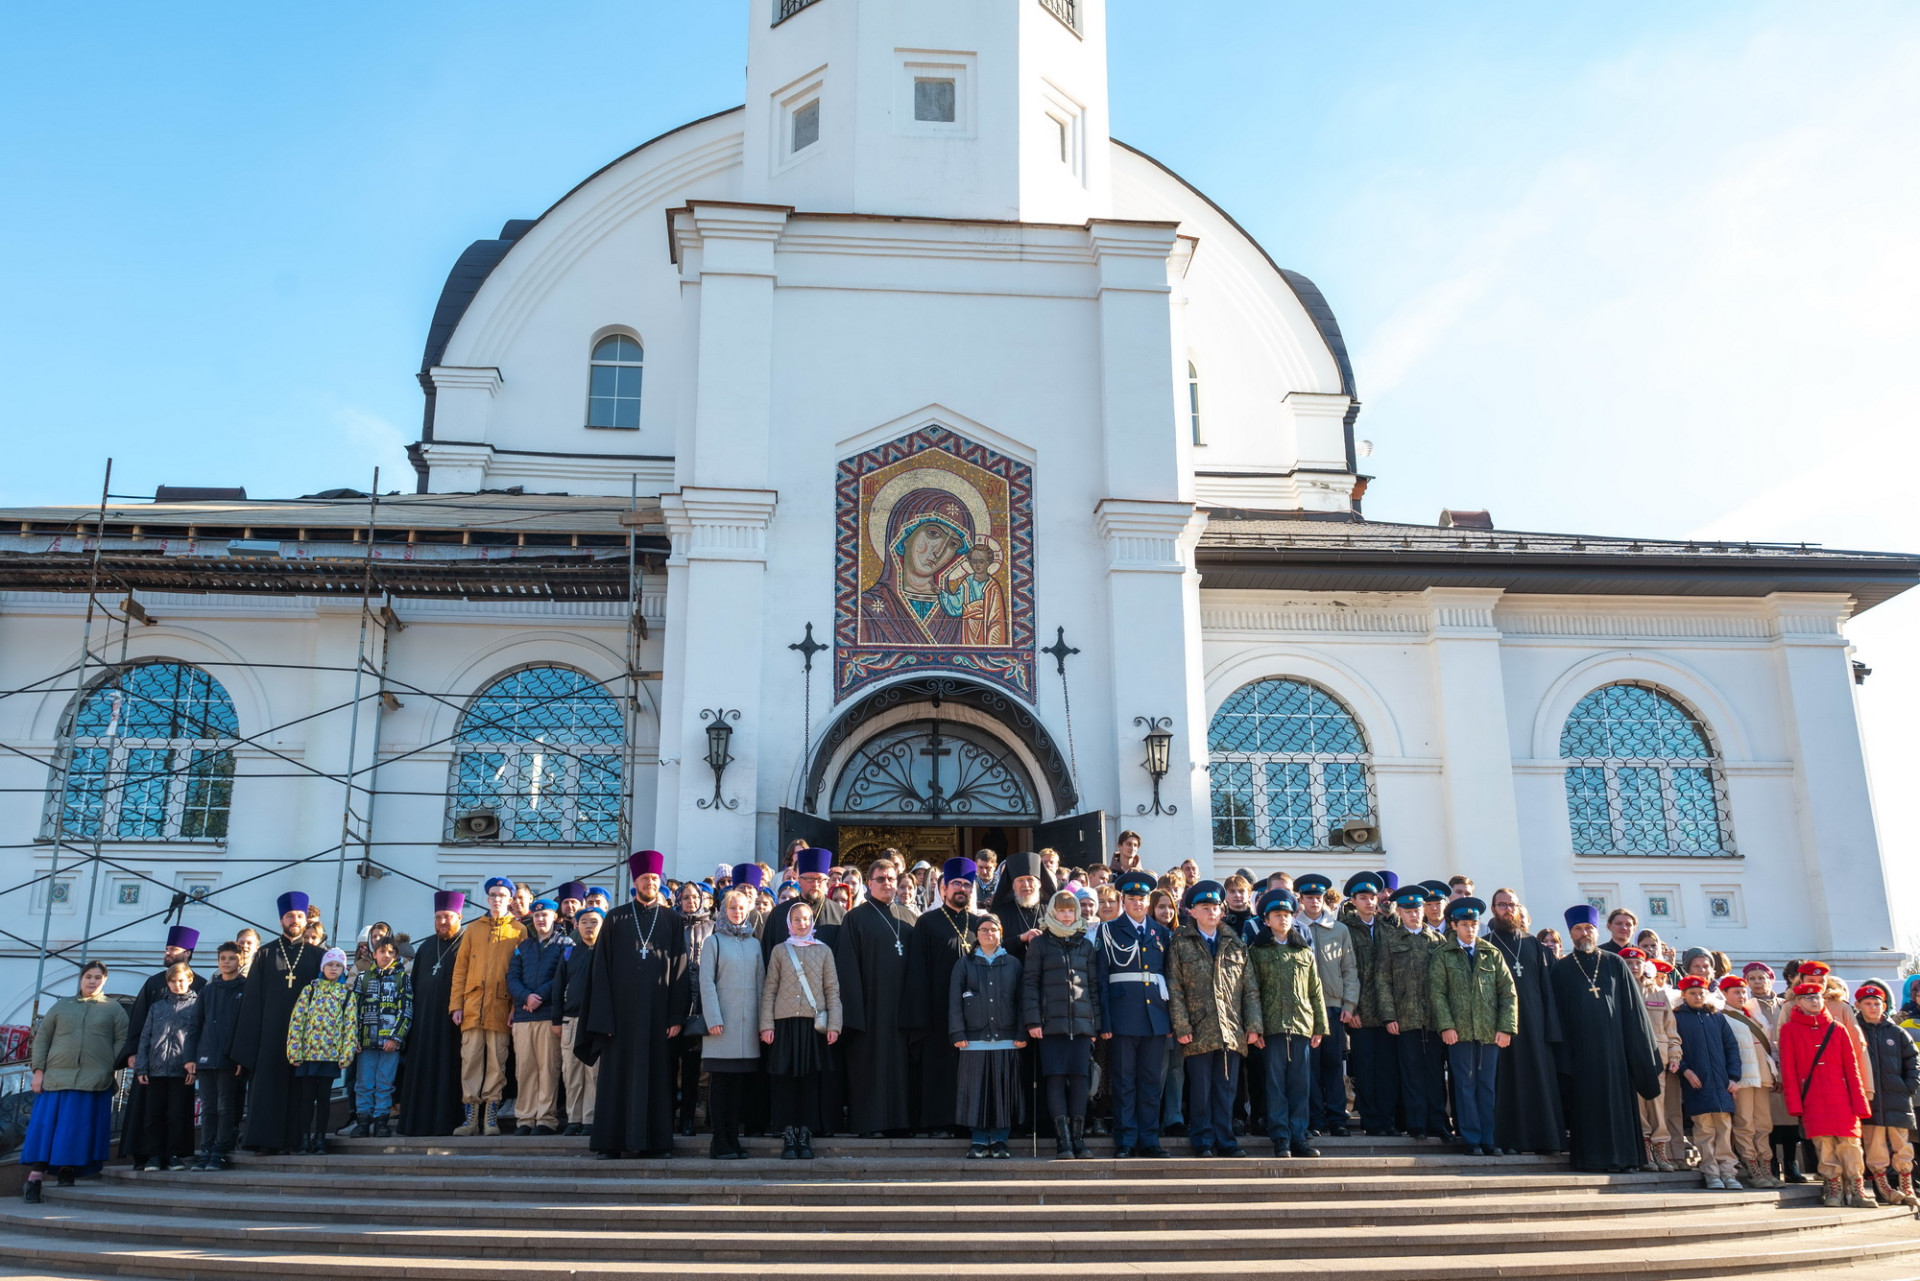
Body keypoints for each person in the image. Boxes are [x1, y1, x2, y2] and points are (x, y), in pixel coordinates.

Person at [578, 850, 691, 1160]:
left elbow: (680, 969)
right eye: (644, 878)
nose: (650, 883)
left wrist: (676, 1015)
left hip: (658, 1017)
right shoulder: (615, 918)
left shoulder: (672, 919)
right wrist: (603, 1018)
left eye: (654, 878)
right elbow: (600, 970)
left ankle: (657, 1143)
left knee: (657, 1079)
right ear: (635, 881)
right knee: (617, 1079)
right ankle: (610, 1143)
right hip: (621, 1018)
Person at [1548, 906, 1663, 1173]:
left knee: (1619, 1105)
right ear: (1570, 933)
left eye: (1588, 928)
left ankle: (1626, 1158)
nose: (1584, 933)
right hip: (1581, 1053)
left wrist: (1640, 1051)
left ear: (1597, 931)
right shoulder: (1561, 969)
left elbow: (1633, 1010)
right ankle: (1592, 1159)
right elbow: (1556, 1016)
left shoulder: (1615, 963)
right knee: (1588, 1107)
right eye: (1578, 929)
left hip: (1616, 1052)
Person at [1168, 880, 1264, 1158]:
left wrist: (1253, 1025)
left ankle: (1226, 1140)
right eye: (1205, 907)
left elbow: (1250, 989)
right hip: (1198, 1028)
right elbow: (1175, 988)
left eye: (1215, 907)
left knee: (1226, 1089)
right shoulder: (1180, 943)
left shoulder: (1235, 943)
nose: (1212, 912)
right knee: (1200, 1090)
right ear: (1192, 911)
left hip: (1230, 1029)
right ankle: (1203, 1140)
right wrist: (1181, 1025)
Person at [21, 960, 128, 1203]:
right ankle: (34, 1179)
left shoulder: (114, 1009)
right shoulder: (62, 1006)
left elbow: (122, 1040)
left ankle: (67, 1170)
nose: (92, 981)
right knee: (47, 1129)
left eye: (97, 977)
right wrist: (38, 1070)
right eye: (88, 976)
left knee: (76, 1130)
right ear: (81, 979)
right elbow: (42, 1038)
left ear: (105, 980)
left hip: (93, 1080)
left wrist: (108, 1065)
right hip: (56, 1079)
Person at [232, 891, 324, 1153]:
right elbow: (252, 1001)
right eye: (290, 916)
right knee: (267, 1085)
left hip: (305, 1034)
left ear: (306, 919)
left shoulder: (318, 956)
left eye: (299, 916)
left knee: (299, 1088)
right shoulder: (265, 953)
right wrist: (247, 1045)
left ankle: (295, 1140)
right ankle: (265, 1141)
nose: (295, 920)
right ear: (281, 919)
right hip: (269, 1033)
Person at [1427, 896, 1515, 1157]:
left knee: (1487, 1085)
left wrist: (1506, 1027)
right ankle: (1471, 1138)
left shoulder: (1491, 953)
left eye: (1474, 924)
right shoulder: (1443, 954)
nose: (1470, 929)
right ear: (1454, 925)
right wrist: (1446, 1025)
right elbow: (1437, 994)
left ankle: (1489, 1138)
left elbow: (1507, 992)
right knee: (1465, 1084)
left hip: (1489, 1032)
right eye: (1464, 924)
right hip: (1460, 1032)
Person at [835, 857, 917, 1137]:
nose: (887, 884)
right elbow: (846, 968)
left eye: (891, 879)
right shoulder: (855, 918)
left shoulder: (909, 918)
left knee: (901, 1068)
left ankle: (901, 1123)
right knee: (870, 1066)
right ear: (869, 883)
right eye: (881, 879)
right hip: (869, 1010)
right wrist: (854, 1014)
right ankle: (870, 1124)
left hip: (902, 1008)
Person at [903, 857, 984, 1136]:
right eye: (956, 884)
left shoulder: (979, 924)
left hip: (973, 1012)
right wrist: (919, 1014)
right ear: (944, 888)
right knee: (939, 1066)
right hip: (937, 1009)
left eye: (967, 884)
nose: (961, 889)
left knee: (969, 1068)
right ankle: (938, 1122)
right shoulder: (927, 922)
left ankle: (968, 1121)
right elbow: (917, 970)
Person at [1022, 888, 1104, 1159]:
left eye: (1071, 911)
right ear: (1053, 912)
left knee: (1080, 1081)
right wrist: (1033, 1020)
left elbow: (1093, 987)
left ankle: (1078, 1139)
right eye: (1062, 911)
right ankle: (1063, 1141)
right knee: (1055, 1080)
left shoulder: (1085, 945)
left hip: (1081, 1026)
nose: (1067, 916)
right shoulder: (1040, 944)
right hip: (1050, 1026)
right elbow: (1030, 984)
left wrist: (1095, 1024)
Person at [1780, 975, 1874, 1209]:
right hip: (1812, 1097)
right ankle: (1833, 1187)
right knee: (1825, 1145)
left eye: (1817, 997)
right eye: (1808, 998)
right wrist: (1794, 1104)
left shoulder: (1837, 1028)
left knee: (1850, 1144)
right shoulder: (1789, 1030)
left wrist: (1860, 1102)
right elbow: (1788, 1071)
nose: (1814, 1001)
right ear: (1797, 1002)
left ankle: (1857, 1189)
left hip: (1842, 1098)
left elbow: (1851, 1068)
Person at [758, 898, 842, 1160]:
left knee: (809, 1080)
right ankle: (788, 1133)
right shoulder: (780, 951)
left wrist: (835, 1025)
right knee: (784, 1080)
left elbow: (832, 989)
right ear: (789, 923)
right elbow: (769, 989)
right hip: (784, 1024)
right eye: (797, 919)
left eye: (806, 919)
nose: (802, 923)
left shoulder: (824, 951)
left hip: (812, 1025)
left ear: (812, 922)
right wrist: (766, 1024)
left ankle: (805, 1133)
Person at [1247, 889, 1326, 1158]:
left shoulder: (1303, 951)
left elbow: (1315, 990)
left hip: (1301, 1025)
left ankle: (1299, 1136)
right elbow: (1252, 991)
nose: (1283, 919)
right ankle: (1281, 1137)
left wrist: (1319, 1026)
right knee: (1276, 1085)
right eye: (1277, 915)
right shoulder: (1257, 952)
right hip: (1272, 1027)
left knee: (1300, 1085)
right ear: (1266, 920)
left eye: (1287, 915)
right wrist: (1255, 1027)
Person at [118, 925, 205, 1169]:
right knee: (148, 1112)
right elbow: (140, 1022)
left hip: (181, 1065)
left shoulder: (201, 986)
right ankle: (145, 1154)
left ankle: (175, 1154)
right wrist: (133, 1052)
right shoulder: (154, 983)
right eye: (167, 948)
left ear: (187, 953)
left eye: (173, 949)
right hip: (153, 1064)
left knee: (177, 1112)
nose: (167, 953)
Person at [1485, 888, 1564, 1155]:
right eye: (1502, 905)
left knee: (1538, 1081)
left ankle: (1545, 1140)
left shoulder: (1535, 946)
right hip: (1499, 1027)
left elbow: (1549, 992)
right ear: (1493, 909)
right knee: (1506, 1083)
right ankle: (1509, 1141)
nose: (1508, 909)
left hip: (1535, 1027)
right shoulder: (1486, 945)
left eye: (1512, 905)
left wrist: (1551, 1030)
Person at [1100, 870, 1172, 1159]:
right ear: (1123, 900)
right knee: (1124, 1081)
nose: (1137, 903)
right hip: (1122, 1017)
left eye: (1142, 898)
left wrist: (1170, 1019)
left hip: (1155, 1018)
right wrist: (1105, 1021)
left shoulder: (1160, 932)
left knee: (1151, 1082)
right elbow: (1101, 979)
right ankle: (1126, 1139)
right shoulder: (1108, 931)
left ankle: (1150, 1139)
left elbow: (1169, 977)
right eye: (1131, 898)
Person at [450, 877, 526, 1137]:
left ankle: (490, 1118)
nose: (497, 899)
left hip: (501, 1008)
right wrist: (456, 1004)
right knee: (470, 1061)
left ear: (510, 900)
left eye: (502, 895)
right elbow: (460, 969)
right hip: (472, 1006)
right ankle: (470, 1118)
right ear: (487, 898)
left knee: (497, 1062)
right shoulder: (473, 929)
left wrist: (515, 1008)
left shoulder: (519, 930)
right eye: (493, 895)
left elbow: (521, 971)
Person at [951, 915, 1026, 1159]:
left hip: (1007, 1038)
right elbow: (954, 1001)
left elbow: (1023, 1000)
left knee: (1003, 1093)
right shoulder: (964, 964)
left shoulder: (1013, 963)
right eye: (983, 930)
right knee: (976, 1092)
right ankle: (979, 1140)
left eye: (993, 929)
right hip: (974, 1040)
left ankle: (1000, 1140)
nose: (988, 934)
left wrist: (1022, 1031)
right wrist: (957, 1032)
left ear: (1000, 933)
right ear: (977, 934)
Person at [1378, 884, 1447, 1141]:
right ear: (1400, 912)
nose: (1413, 915)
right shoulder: (1391, 941)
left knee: (1435, 1071)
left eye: (1417, 910)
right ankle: (1416, 1123)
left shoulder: (1437, 940)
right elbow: (1382, 979)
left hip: (1434, 1018)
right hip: (1405, 1017)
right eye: (1408, 911)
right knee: (1411, 1072)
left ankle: (1437, 1122)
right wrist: (1389, 1015)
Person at [1289, 875, 1355, 1138]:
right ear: (1301, 899)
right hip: (1305, 1009)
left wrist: (1349, 1003)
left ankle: (1337, 1118)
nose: (1314, 902)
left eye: (1318, 897)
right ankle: (1316, 1118)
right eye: (1309, 897)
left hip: (1333, 1007)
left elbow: (1349, 969)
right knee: (1310, 1066)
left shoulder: (1339, 929)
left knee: (1333, 1064)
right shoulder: (1294, 928)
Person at [397, 891, 467, 1137]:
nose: (442, 922)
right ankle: (416, 1123)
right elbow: (414, 986)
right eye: (438, 917)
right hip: (424, 1024)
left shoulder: (466, 944)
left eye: (447, 917)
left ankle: (446, 1123)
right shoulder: (426, 947)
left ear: (459, 917)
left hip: (452, 1024)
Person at [701, 889, 764, 1159]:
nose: (737, 912)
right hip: (721, 1025)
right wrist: (713, 1018)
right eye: (732, 908)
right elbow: (706, 982)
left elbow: (761, 984)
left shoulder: (754, 944)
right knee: (720, 1084)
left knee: (738, 1086)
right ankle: (719, 1141)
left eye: (741, 908)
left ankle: (733, 1140)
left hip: (746, 1026)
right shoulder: (713, 941)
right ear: (724, 911)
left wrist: (762, 1022)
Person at [284, 948, 358, 1155]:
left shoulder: (346, 994)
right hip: (308, 1055)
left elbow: (350, 1025)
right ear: (322, 967)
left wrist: (346, 1054)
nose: (334, 969)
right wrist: (294, 1051)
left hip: (330, 1056)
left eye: (338, 966)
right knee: (306, 1098)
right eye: (330, 965)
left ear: (343, 969)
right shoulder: (310, 991)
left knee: (324, 1098)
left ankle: (320, 1138)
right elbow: (297, 1021)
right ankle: (304, 1138)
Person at [1339, 871, 1396, 1137]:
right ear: (1353, 901)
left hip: (1385, 1012)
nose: (1369, 901)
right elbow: (1344, 971)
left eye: (1372, 897)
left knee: (1386, 1069)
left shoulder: (1387, 929)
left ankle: (1387, 1120)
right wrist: (1352, 1008)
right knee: (1365, 1068)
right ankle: (1371, 1120)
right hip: (1360, 1012)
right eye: (1363, 897)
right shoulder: (1345, 929)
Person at [1673, 974, 1742, 1189]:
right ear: (1684, 995)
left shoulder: (1716, 1017)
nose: (1697, 996)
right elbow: (1675, 1047)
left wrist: (1734, 1077)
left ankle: (1728, 1172)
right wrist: (1685, 1070)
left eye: (1701, 993)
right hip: (1698, 1084)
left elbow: (1731, 1047)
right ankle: (1711, 1172)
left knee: (1724, 1129)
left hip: (1721, 1085)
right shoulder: (1678, 1018)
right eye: (1692, 993)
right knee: (1704, 1130)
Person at [1853, 981, 1919, 1207]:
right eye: (1868, 1004)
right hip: (1870, 1100)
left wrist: (1908, 1086)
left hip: (1898, 1099)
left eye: (1877, 1004)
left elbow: (1913, 1061)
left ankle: (1907, 1186)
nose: (1873, 1008)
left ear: (1884, 1005)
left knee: (1902, 1145)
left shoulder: (1897, 1032)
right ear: (1858, 1005)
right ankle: (1884, 1187)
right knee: (1875, 1145)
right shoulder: (1854, 1032)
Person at [506, 897, 566, 1136]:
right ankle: (525, 1118)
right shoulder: (523, 946)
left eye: (545, 915)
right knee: (525, 1069)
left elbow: (562, 976)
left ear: (555, 917)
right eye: (537, 915)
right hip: (524, 1016)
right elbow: (512, 977)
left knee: (548, 1068)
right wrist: (526, 997)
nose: (541, 919)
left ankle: (546, 1119)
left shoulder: (565, 943)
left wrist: (539, 996)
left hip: (548, 1015)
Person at [1718, 973, 1784, 1189]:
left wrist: (1773, 1073)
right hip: (1743, 1076)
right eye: (1736, 992)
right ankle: (1752, 1167)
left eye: (1743, 991)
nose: (1741, 995)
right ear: (1724, 993)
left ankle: (1766, 1166)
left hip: (1762, 1074)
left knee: (1763, 1124)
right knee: (1745, 1124)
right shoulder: (1722, 1016)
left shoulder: (1753, 1014)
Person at [134, 961, 202, 1172]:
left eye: (181, 980)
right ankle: (154, 1155)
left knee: (176, 1115)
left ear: (189, 980)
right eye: (172, 981)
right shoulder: (157, 1007)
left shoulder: (197, 1006)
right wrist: (142, 1067)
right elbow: (146, 1038)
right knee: (153, 1115)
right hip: (156, 1069)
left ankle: (174, 1155)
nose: (176, 984)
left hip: (181, 1070)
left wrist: (194, 1067)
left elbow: (199, 1037)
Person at [343, 933, 409, 1139]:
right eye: (382, 951)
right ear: (374, 954)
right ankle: (363, 1121)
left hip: (390, 1043)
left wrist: (396, 1038)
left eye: (390, 952)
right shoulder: (363, 978)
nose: (386, 955)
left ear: (396, 955)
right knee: (364, 1083)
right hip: (366, 1042)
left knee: (385, 1083)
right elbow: (353, 1010)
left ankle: (381, 1121)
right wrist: (353, 1038)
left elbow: (406, 1010)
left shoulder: (402, 978)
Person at [1624, 946, 1684, 1172]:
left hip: (1657, 1057)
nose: (1633, 967)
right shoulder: (1618, 989)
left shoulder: (1658, 993)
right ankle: (1645, 1148)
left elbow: (1671, 1029)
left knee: (1658, 1104)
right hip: (1629, 1056)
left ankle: (1660, 1148)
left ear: (1644, 965)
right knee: (1638, 1105)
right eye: (1629, 964)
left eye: (1637, 963)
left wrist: (1675, 1054)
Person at [190, 941, 247, 1170]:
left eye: (231, 958)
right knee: (209, 1108)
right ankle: (206, 1150)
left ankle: (220, 1151)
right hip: (206, 1057)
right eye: (223, 958)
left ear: (240, 961)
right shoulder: (208, 990)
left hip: (229, 1059)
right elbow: (195, 1025)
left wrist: (241, 1056)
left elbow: (246, 1027)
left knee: (225, 1107)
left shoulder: (246, 989)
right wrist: (190, 1057)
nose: (226, 962)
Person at [555, 905, 603, 1136]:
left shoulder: (607, 953)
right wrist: (556, 1019)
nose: (589, 926)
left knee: (593, 1072)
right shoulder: (569, 953)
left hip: (595, 1022)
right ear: (576, 925)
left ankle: (590, 1120)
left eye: (594, 922)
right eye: (584, 922)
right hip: (571, 1020)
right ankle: (574, 1119)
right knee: (571, 1072)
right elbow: (557, 987)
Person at [673, 880, 715, 1136]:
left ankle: (689, 1119)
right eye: (686, 897)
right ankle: (669, 1116)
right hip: (676, 1003)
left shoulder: (712, 926)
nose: (690, 901)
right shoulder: (672, 925)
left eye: (694, 897)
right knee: (670, 1065)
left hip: (702, 1004)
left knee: (693, 1067)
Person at [765, 847, 847, 954]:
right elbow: (768, 954)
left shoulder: (840, 915)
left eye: (820, 879)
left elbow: (844, 956)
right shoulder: (779, 913)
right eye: (809, 879)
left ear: (826, 880)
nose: (815, 884)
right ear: (799, 880)